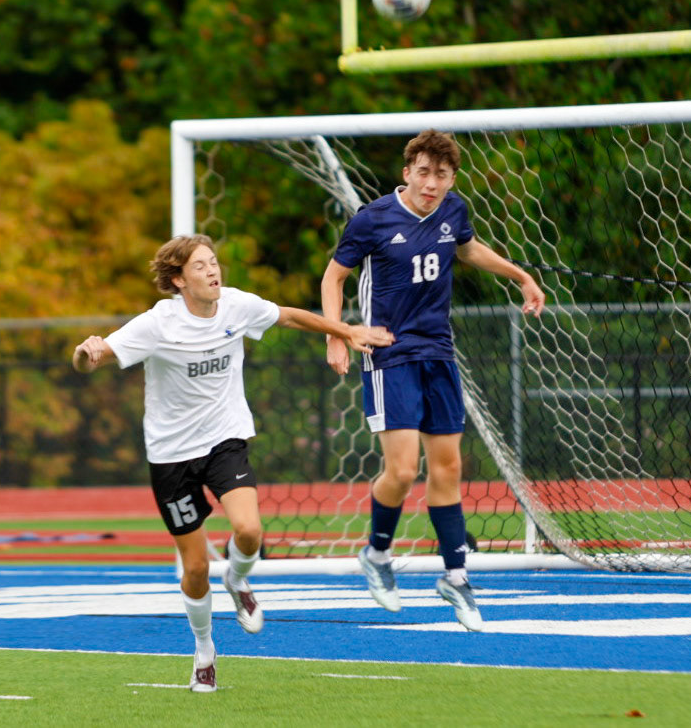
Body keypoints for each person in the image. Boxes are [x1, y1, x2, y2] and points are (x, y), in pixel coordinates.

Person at [72, 234, 394, 691]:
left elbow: (290, 316)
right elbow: (95, 358)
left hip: (225, 439)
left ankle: (238, 580)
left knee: (249, 531)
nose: (212, 271)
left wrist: (345, 331)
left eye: (213, 262)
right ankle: (204, 649)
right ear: (179, 280)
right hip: (171, 456)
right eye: (200, 266)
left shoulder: (237, 305)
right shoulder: (157, 323)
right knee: (195, 568)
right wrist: (84, 354)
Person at [321, 129, 546, 632]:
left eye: (441, 175)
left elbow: (469, 250)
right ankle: (377, 555)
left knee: (448, 468)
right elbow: (333, 276)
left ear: (451, 180)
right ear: (407, 173)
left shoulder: (453, 211)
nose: (431, 183)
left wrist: (522, 277)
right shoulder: (373, 219)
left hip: (438, 352)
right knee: (403, 471)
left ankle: (456, 577)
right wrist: (337, 334)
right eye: (423, 172)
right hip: (388, 353)